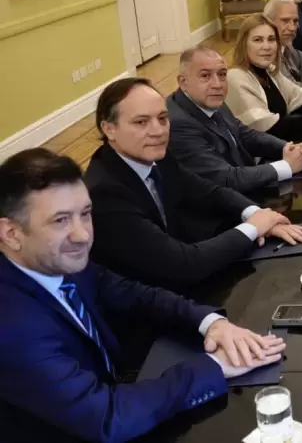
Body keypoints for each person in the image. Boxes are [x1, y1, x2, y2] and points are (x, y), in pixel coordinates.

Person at [0, 148, 287, 441]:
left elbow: (136, 294)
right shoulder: (11, 324)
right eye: (60, 220)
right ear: (10, 233)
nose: (82, 235)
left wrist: (212, 323)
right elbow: (108, 418)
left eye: (85, 214)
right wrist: (214, 367)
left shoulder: (55, 260)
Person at [84, 78, 302, 291]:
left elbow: (208, 192)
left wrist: (260, 214)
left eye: (162, 118)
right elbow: (181, 265)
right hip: (146, 307)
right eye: (141, 122)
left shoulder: (154, 156)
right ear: (109, 128)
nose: (158, 130)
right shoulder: (105, 194)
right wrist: (253, 227)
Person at [167, 47, 302, 195]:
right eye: (205, 76)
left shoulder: (207, 98)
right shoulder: (178, 125)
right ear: (183, 82)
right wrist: (287, 166)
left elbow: (243, 134)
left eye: (222, 74)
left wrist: (287, 148)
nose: (217, 84)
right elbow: (227, 178)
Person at [226, 15, 302, 142]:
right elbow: (265, 127)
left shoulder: (269, 71)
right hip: (257, 158)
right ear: (243, 44)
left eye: (271, 39)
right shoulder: (235, 77)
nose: (266, 46)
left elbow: (296, 95)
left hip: (282, 147)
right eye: (258, 40)